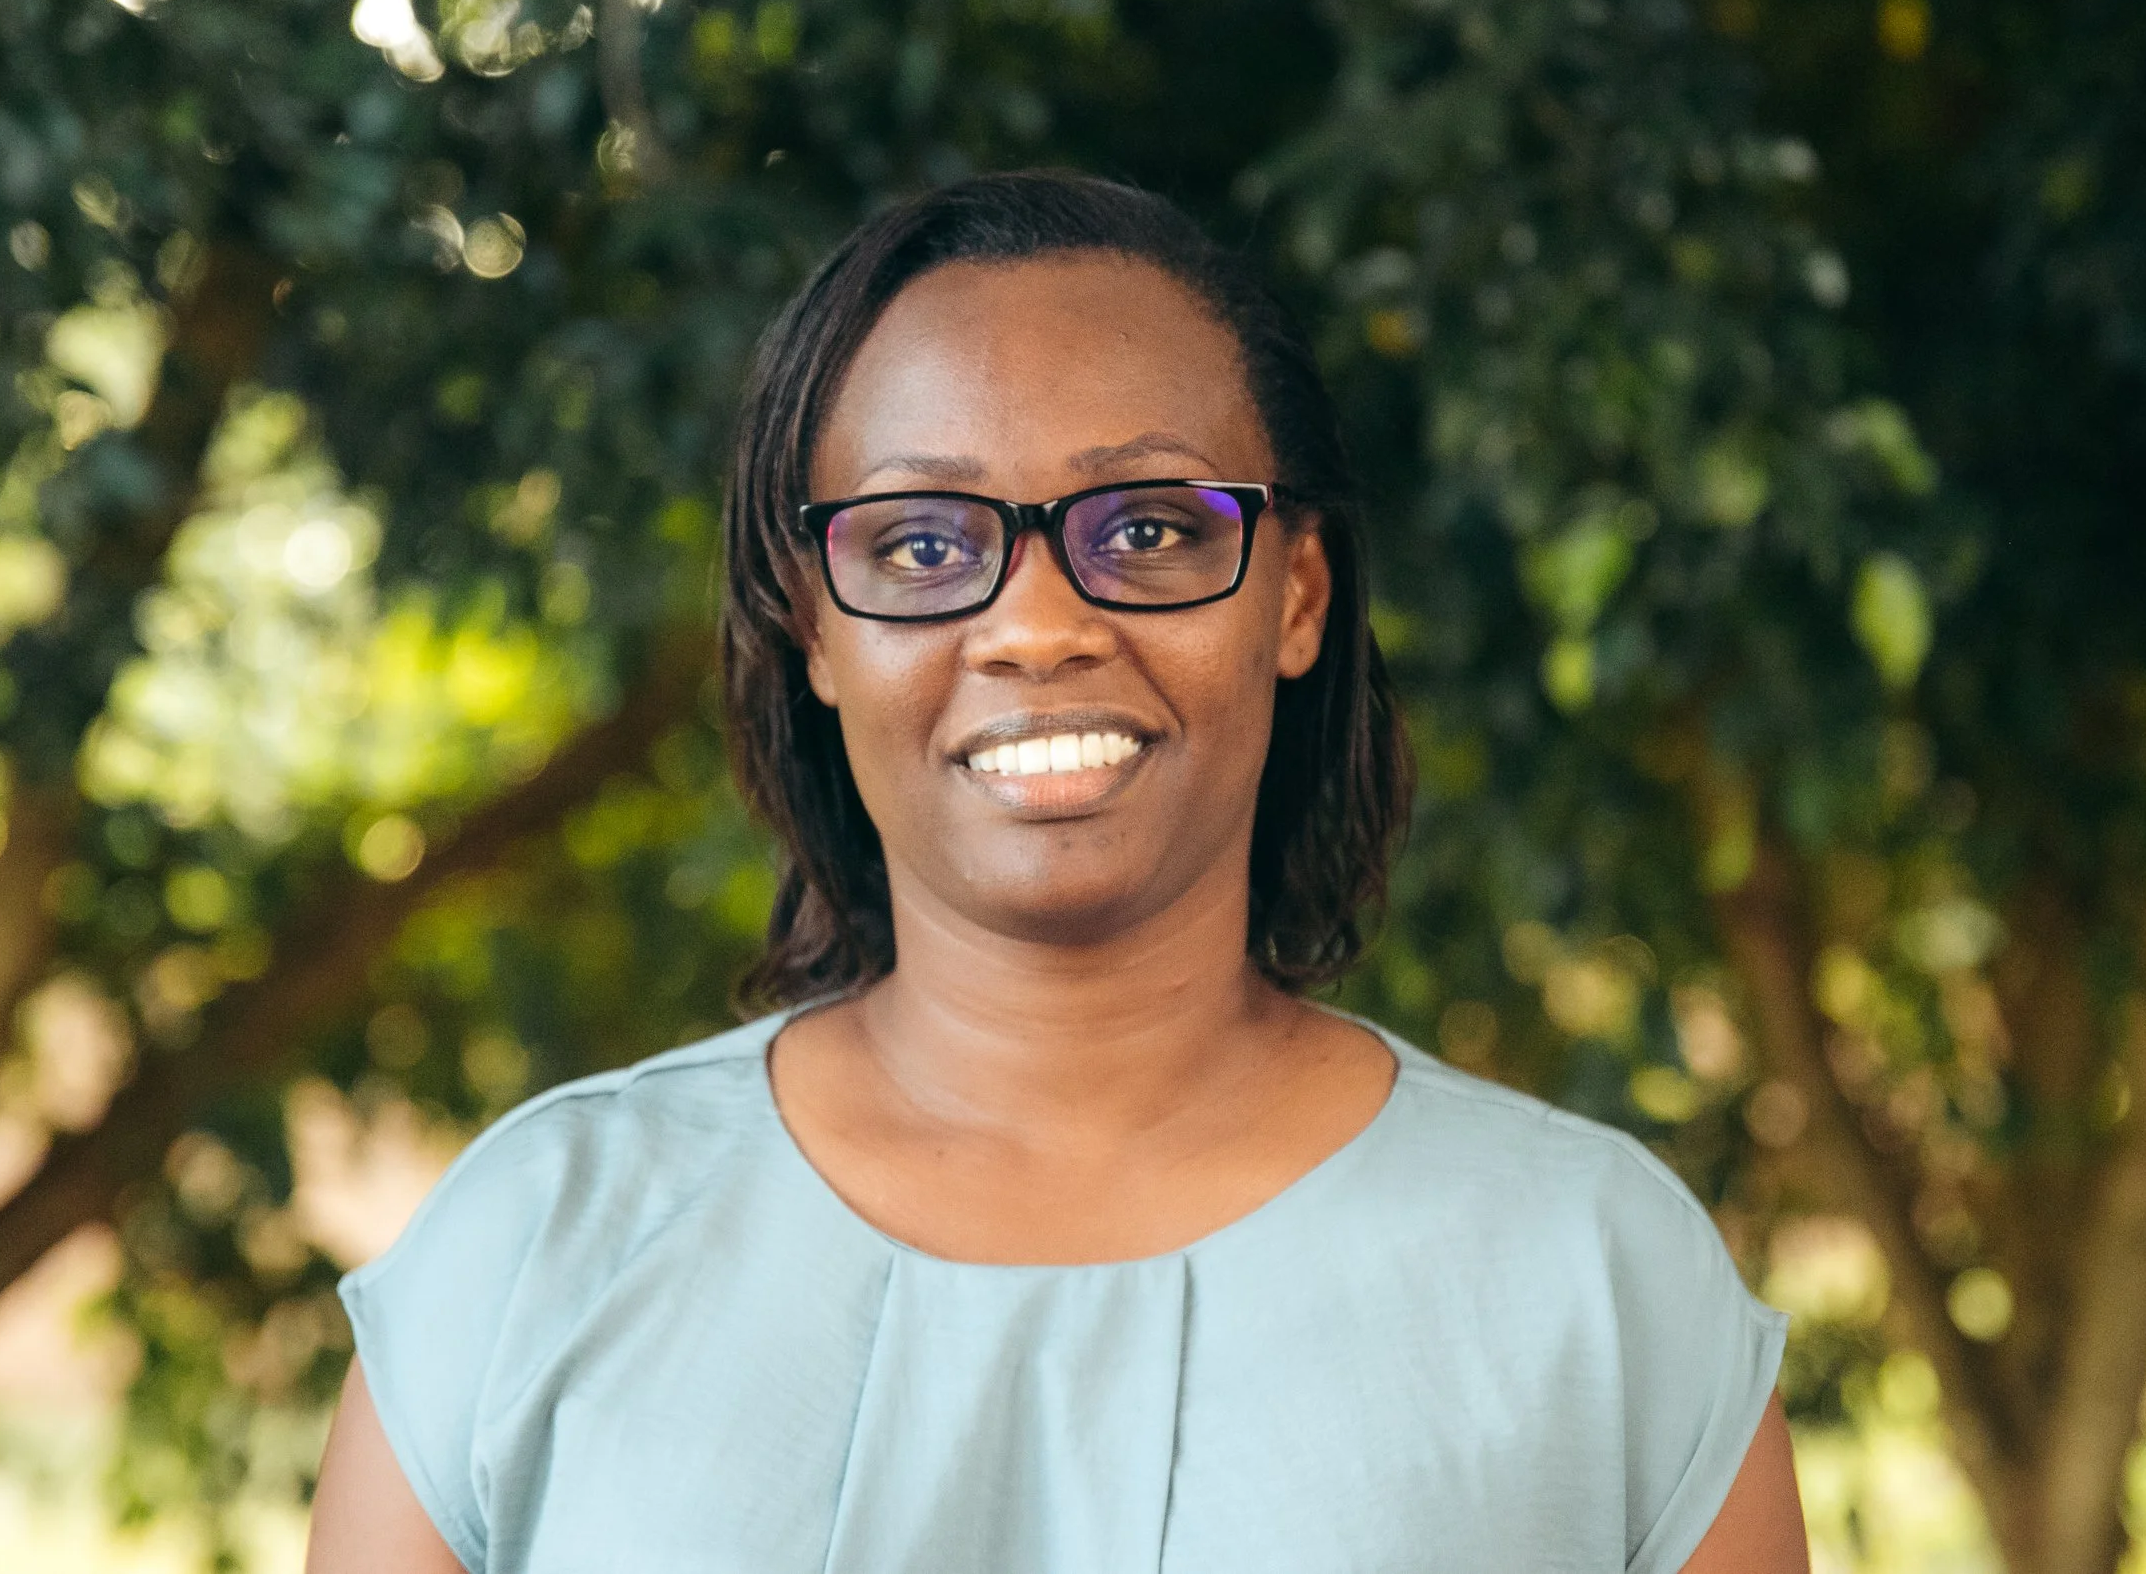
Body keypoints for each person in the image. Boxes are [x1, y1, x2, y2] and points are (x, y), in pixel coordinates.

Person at [306, 172, 1804, 1574]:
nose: (1036, 626)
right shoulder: (530, 1254)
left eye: (1148, 528)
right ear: (813, 628)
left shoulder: (1600, 1287)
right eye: (918, 543)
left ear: (1297, 593)